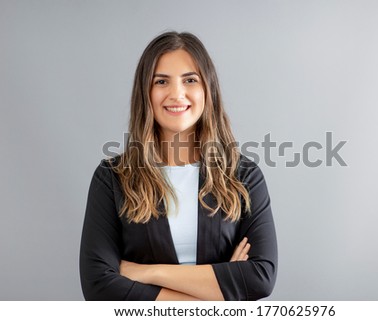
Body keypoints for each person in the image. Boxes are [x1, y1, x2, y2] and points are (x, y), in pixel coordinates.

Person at [79, 31, 277, 301]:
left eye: (190, 80)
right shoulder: (113, 178)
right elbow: (98, 286)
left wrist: (147, 272)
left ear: (208, 90)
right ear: (145, 93)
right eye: (161, 81)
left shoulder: (243, 176)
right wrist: (218, 295)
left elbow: (260, 278)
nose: (176, 93)